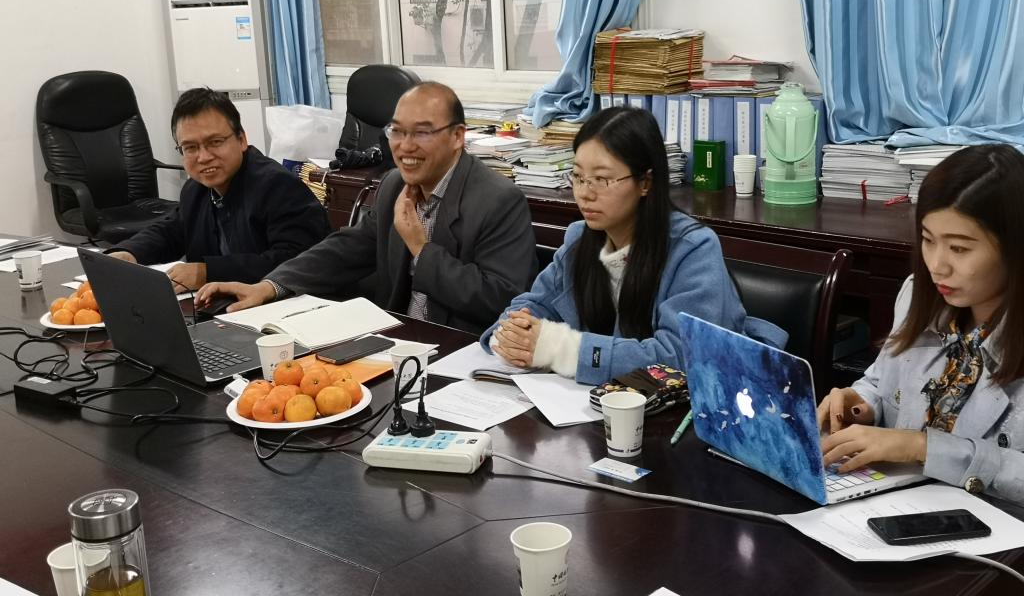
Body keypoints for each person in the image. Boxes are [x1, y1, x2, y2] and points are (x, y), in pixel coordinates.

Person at [196, 82, 538, 334]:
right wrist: (269, 287)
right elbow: (344, 250)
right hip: (396, 340)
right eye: (397, 132)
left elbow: (502, 301)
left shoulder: (498, 201)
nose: (405, 146)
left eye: (421, 133)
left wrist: (421, 249)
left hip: (462, 351)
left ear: (458, 136)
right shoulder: (394, 186)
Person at [480, 106, 786, 385]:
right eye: (578, 176)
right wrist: (512, 333)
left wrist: (561, 349)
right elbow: (535, 303)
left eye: (601, 179)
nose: (585, 193)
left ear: (645, 183)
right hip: (598, 404)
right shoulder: (579, 238)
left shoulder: (692, 249)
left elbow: (680, 357)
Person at [818, 144, 1024, 504]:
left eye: (959, 248)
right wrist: (861, 404)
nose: (937, 266)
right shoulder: (919, 294)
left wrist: (923, 447)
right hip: (897, 505)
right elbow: (882, 382)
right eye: (928, 240)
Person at [107, 88, 331, 291]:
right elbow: (171, 231)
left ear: (241, 139)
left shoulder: (278, 186)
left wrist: (208, 272)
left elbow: (295, 261)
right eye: (190, 147)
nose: (204, 157)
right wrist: (129, 252)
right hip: (220, 307)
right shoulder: (195, 189)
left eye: (215, 142)